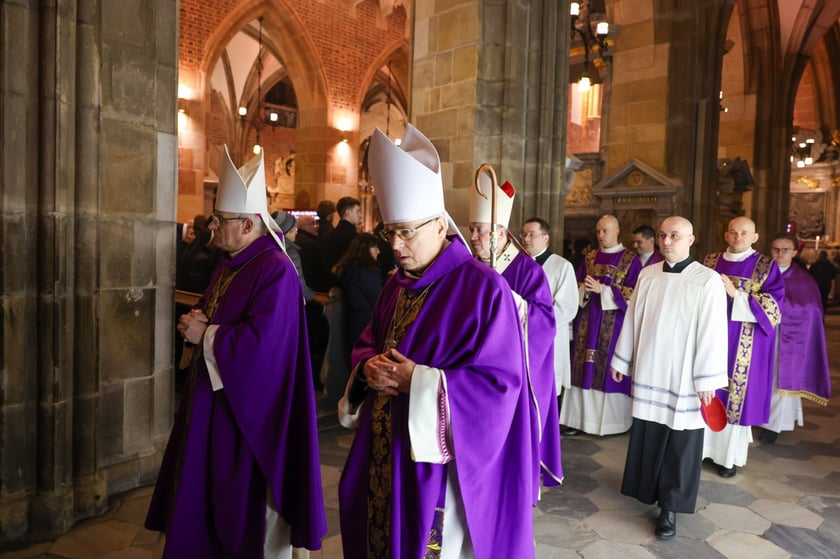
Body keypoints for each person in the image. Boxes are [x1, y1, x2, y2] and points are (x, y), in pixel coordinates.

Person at [338, 124, 537, 558]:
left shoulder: (483, 288)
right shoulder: (395, 285)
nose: (395, 245)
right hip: (383, 448)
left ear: (441, 225)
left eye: (407, 231)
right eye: (389, 232)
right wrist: (367, 367)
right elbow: (369, 341)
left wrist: (421, 382)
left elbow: (500, 385)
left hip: (436, 464)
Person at [146, 146, 326, 557]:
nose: (212, 226)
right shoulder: (232, 261)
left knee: (239, 514)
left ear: (247, 224)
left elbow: (266, 349)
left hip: (247, 420)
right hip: (212, 405)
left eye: (220, 220)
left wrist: (206, 334)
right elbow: (218, 313)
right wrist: (197, 321)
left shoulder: (275, 269)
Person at [611, 216, 729, 540]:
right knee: (650, 434)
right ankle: (648, 490)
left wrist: (707, 380)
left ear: (691, 239)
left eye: (674, 235)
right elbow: (633, 318)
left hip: (685, 378)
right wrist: (622, 357)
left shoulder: (707, 280)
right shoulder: (648, 274)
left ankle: (671, 507)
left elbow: (713, 332)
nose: (666, 241)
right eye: (663, 235)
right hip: (651, 369)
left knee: (680, 443)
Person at [468, 176, 563, 493]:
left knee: (509, 447)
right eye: (471, 229)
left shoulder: (527, 270)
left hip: (512, 372)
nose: (473, 237)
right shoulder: (469, 266)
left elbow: (544, 323)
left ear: (499, 233)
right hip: (473, 370)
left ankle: (513, 488)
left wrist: (505, 298)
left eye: (480, 230)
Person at [702, 216, 783, 477]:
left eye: (744, 233)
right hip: (710, 339)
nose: (738, 238)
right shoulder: (709, 262)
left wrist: (737, 296)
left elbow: (774, 308)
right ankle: (699, 451)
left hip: (744, 346)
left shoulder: (766, 266)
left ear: (755, 237)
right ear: (726, 235)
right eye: (733, 232)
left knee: (734, 398)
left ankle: (727, 459)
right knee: (706, 391)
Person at [560, 214, 641, 436]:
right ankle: (577, 421)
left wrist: (603, 291)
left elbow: (634, 294)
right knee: (583, 368)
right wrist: (584, 290)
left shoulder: (630, 260)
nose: (601, 235)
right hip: (587, 321)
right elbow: (575, 286)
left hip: (613, 325)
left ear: (617, 231)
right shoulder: (590, 257)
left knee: (607, 371)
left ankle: (610, 424)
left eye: (605, 231)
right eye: (598, 231)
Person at [759, 233, 831, 443]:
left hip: (787, 339)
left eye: (786, 250)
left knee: (779, 379)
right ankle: (756, 416)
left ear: (794, 252)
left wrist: (778, 309)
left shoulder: (804, 280)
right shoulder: (760, 275)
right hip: (760, 336)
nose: (780, 254)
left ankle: (774, 425)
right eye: (776, 249)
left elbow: (812, 310)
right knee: (760, 377)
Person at [520, 217, 579, 398]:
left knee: (544, 392)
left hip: (547, 337)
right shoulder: (518, 264)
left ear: (545, 238)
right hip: (520, 335)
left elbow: (567, 307)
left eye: (532, 234)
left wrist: (534, 321)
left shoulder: (562, 266)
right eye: (523, 234)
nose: (526, 239)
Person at [333, 232, 383, 350]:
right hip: (367, 327)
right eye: (375, 247)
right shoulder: (367, 272)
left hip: (352, 324)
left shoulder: (349, 268)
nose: (379, 251)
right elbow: (377, 302)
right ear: (366, 248)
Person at [323, 196, 362, 273]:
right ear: (347, 213)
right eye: (358, 211)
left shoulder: (328, 236)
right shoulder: (355, 237)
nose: (360, 215)